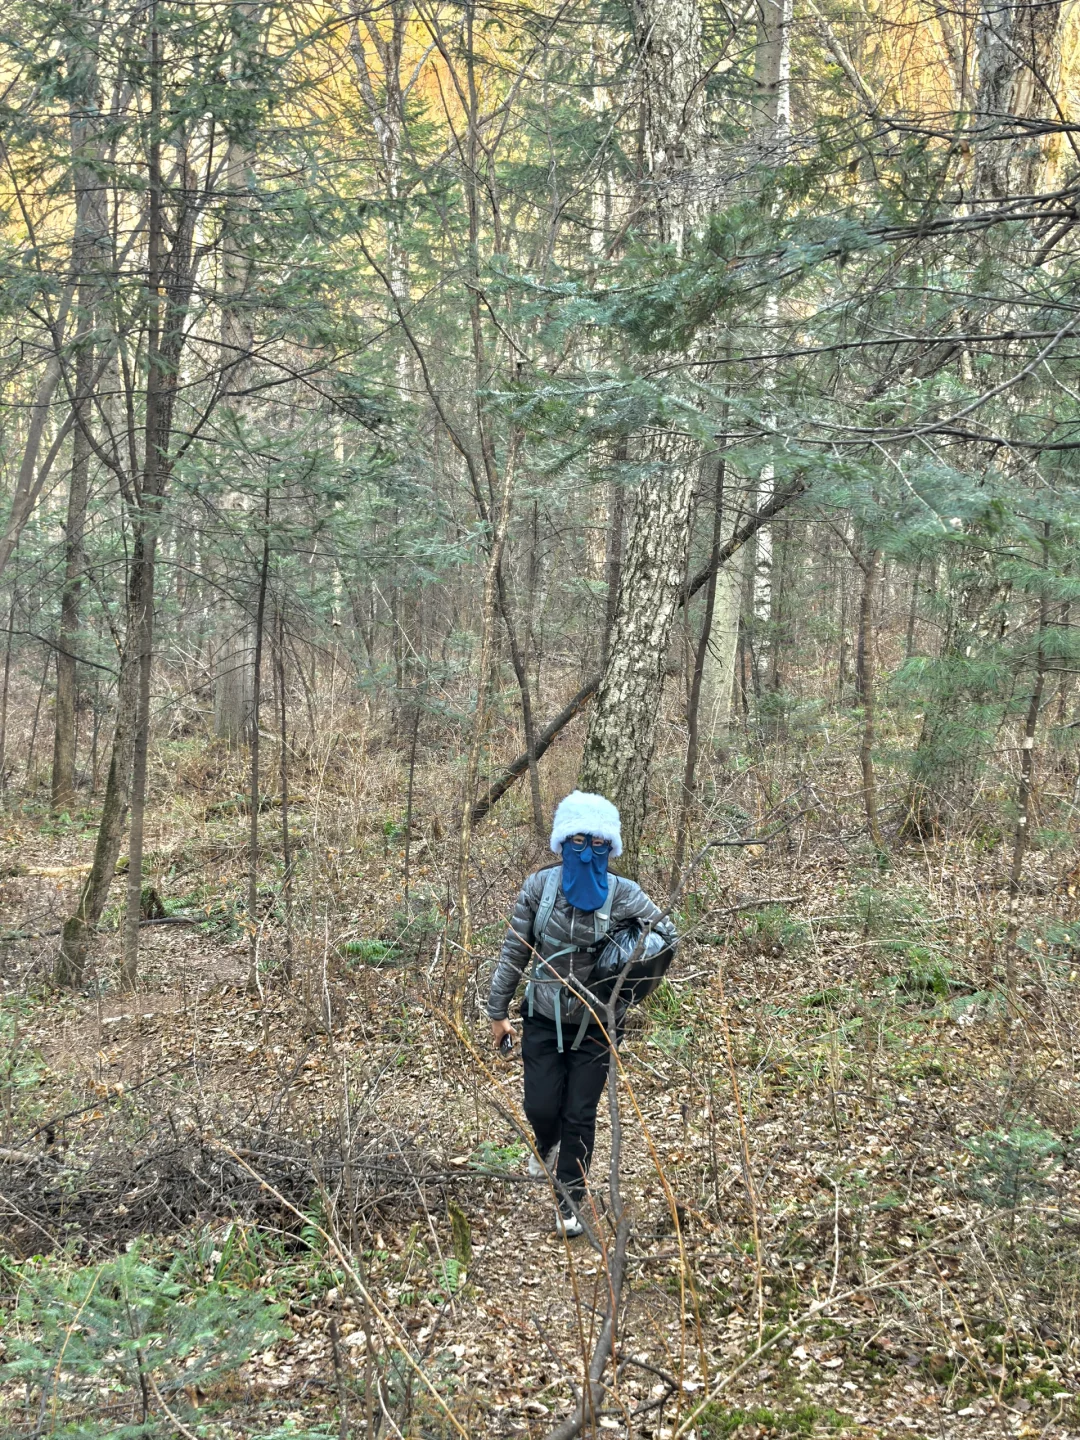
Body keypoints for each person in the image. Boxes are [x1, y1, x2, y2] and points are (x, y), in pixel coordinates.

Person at [486, 790, 677, 1237]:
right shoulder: (539, 888)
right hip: (541, 1018)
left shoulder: (625, 894)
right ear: (562, 842)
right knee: (541, 1107)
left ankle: (569, 1197)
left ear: (610, 848)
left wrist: (623, 966)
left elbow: (666, 934)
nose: (587, 852)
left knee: (579, 1113)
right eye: (577, 842)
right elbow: (515, 950)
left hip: (596, 1027)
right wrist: (498, 1012)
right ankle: (547, 1149)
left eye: (598, 845)